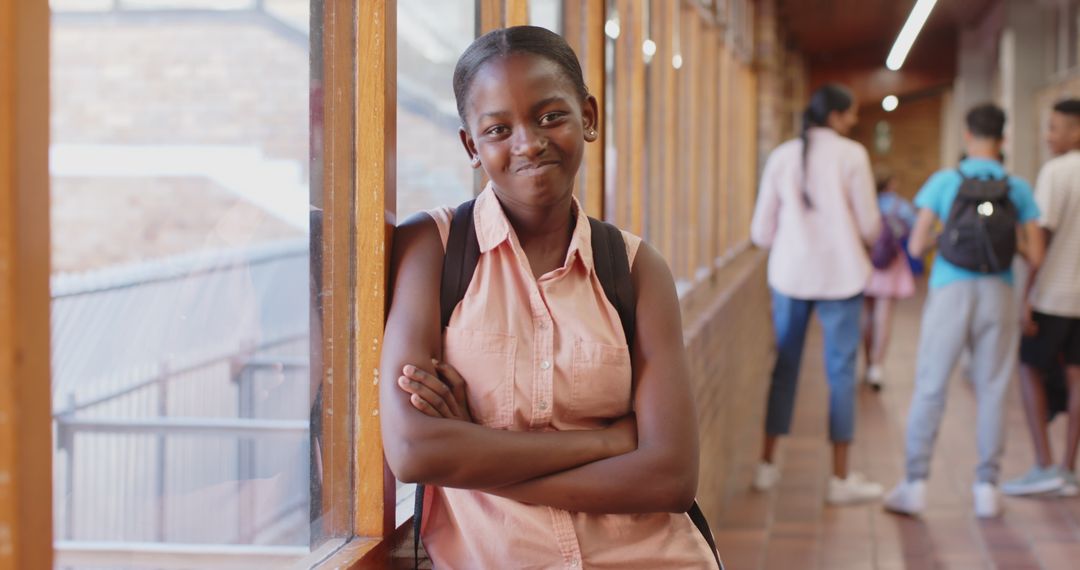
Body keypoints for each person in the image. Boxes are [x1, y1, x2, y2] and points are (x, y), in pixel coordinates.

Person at [378, 26, 717, 568]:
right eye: (497, 129)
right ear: (471, 145)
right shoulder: (434, 251)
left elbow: (671, 478)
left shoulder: (634, 270)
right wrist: (607, 443)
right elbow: (417, 450)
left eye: (550, 116)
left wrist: (474, 450)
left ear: (588, 117)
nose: (528, 142)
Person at [884, 103, 1045, 518]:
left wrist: (947, 237)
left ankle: (915, 483)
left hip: (950, 290)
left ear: (967, 135)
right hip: (999, 291)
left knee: (931, 385)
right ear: (1003, 138)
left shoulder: (944, 182)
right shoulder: (1018, 188)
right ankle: (986, 488)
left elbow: (917, 245)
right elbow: (1035, 252)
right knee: (993, 386)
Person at [750, 83, 884, 504]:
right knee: (842, 373)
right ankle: (840, 479)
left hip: (790, 275)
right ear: (836, 116)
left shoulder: (783, 156)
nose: (854, 121)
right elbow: (870, 226)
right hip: (842, 276)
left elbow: (760, 232)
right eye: (851, 114)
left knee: (784, 367)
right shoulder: (852, 155)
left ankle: (767, 467)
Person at [1001, 98, 1080, 497]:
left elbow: (1039, 242)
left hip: (1053, 294)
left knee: (1030, 369)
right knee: (1077, 377)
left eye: (1053, 128)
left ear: (1076, 131)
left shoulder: (1057, 171)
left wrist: (1026, 295)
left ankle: (1044, 465)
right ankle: (1069, 469)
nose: (1048, 137)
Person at [862, 168, 918, 390]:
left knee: (867, 316)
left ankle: (867, 361)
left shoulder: (867, 204)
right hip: (891, 265)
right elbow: (914, 229)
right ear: (891, 183)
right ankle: (877, 366)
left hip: (866, 263)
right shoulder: (900, 206)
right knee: (883, 318)